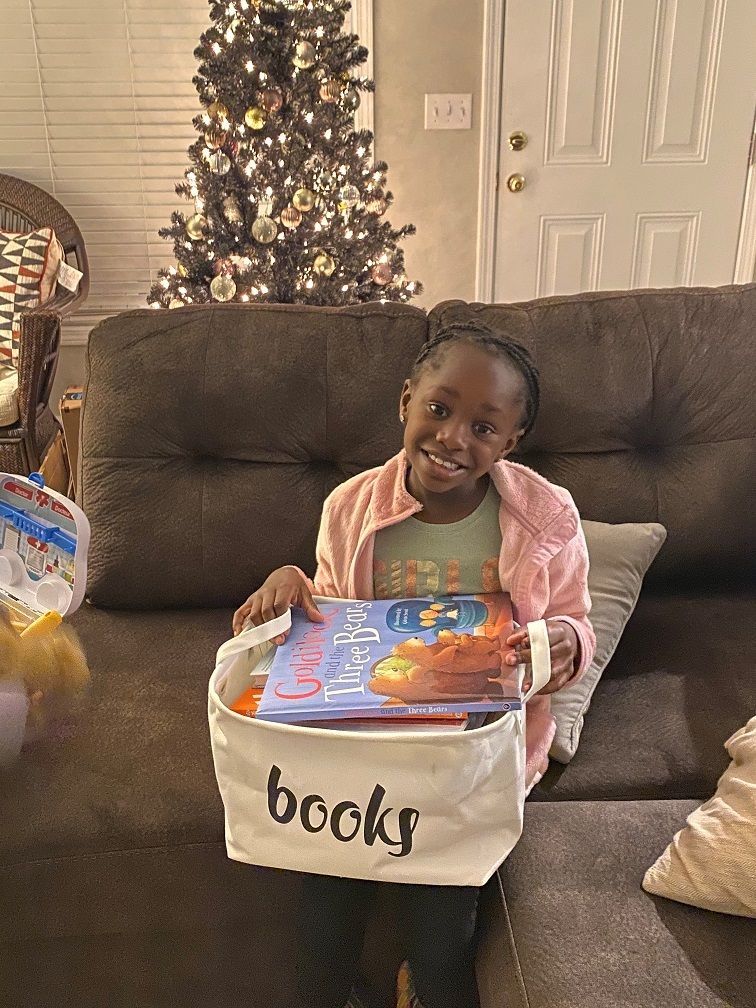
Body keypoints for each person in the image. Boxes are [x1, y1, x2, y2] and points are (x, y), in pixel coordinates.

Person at [233, 320, 596, 1008]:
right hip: (366, 752)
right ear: (406, 401)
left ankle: (424, 989)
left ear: (511, 442)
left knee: (443, 929)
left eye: (484, 428)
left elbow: (574, 625)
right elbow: (336, 624)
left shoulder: (547, 516)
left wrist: (563, 644)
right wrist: (291, 582)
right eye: (439, 409)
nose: (454, 437)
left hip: (474, 758)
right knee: (323, 909)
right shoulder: (351, 506)